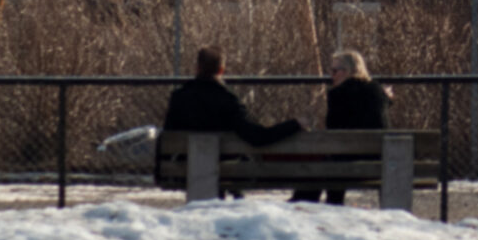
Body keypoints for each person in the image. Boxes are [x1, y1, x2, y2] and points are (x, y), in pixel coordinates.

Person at [160, 47, 303, 196]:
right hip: (226, 174)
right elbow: (258, 137)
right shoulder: (228, 100)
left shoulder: (179, 98)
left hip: (185, 172)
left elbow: (168, 137)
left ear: (197, 68)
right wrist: (294, 125)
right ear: (221, 70)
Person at [291, 50, 389, 206]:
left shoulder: (338, 94)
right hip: (378, 162)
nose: (332, 75)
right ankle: (320, 203)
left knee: (320, 164)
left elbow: (333, 128)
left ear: (348, 71)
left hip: (346, 164)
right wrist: (387, 99)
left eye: (335, 71)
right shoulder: (377, 91)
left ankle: (306, 203)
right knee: (332, 159)